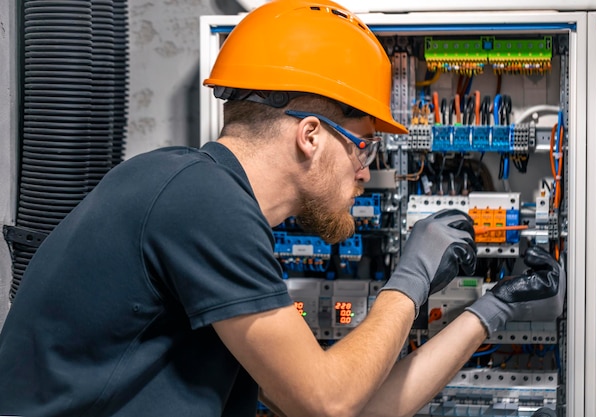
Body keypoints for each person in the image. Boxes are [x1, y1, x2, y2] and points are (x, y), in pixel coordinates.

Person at [0, 0, 565, 416]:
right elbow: (329, 401)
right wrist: (411, 278)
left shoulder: (208, 205)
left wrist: (490, 312)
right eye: (363, 146)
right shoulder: (199, 199)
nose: (368, 172)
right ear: (311, 137)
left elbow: (356, 408)